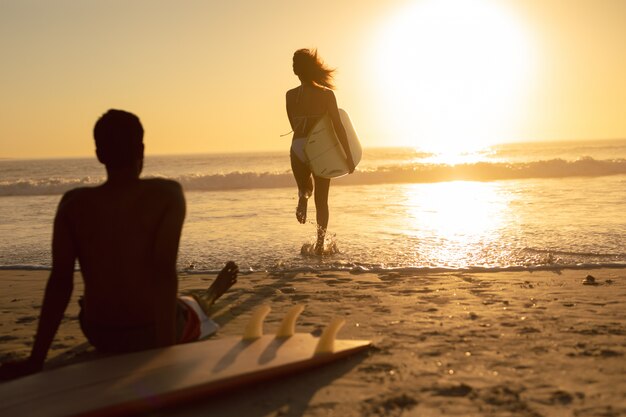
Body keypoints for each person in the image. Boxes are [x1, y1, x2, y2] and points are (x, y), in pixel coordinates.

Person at [0, 109, 238, 380]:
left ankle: (196, 299)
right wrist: (165, 357)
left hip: (98, 332)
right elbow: (163, 273)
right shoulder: (167, 195)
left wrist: (36, 360)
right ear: (142, 149)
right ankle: (210, 295)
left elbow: (60, 281)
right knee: (192, 305)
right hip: (150, 333)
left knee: (162, 299)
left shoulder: (72, 204)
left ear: (99, 154)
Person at [286, 48, 355, 253]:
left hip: (298, 146)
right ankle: (319, 244)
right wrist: (348, 156)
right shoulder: (326, 94)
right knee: (322, 201)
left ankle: (302, 197)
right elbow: (337, 126)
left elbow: (293, 125)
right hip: (320, 149)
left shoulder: (290, 96)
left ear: (296, 72)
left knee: (306, 188)